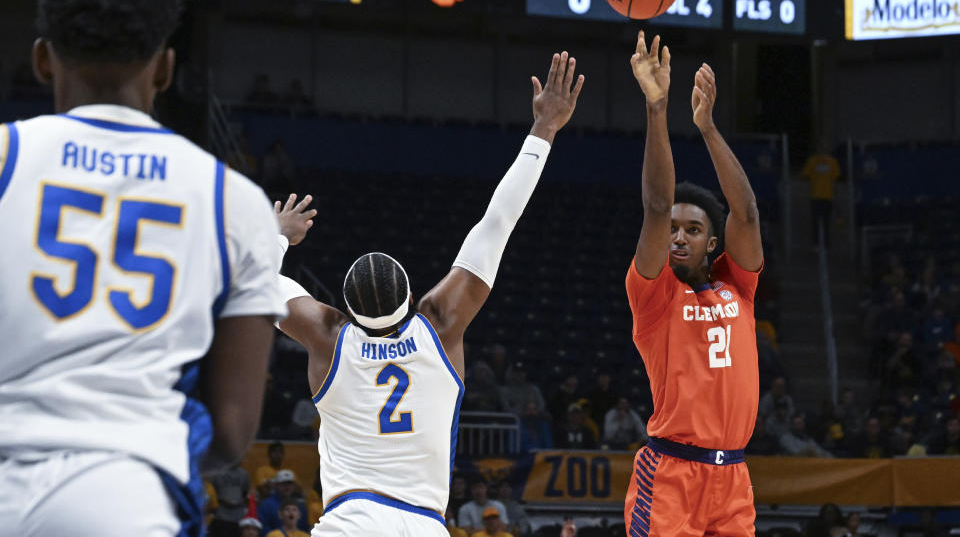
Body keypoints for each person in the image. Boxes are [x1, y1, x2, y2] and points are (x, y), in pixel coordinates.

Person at [0, 0, 285, 536]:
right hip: (126, 495)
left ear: (41, 59)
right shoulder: (234, 200)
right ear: (165, 69)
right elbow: (231, 434)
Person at [273, 52, 583, 536]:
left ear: (343, 310)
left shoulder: (328, 336)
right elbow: (497, 223)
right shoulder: (439, 324)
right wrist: (544, 129)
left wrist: (279, 237)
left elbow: (253, 283)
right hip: (423, 524)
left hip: (348, 523)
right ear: (415, 295)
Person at [622, 31, 764, 536]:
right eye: (674, 231)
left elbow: (745, 212)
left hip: (733, 477)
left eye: (694, 229)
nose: (678, 236)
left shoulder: (736, 286)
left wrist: (706, 127)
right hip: (671, 475)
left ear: (712, 244)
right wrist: (657, 108)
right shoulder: (654, 294)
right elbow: (657, 206)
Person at [801, 146, 840, 247]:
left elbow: (836, 177)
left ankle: (825, 243)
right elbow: (805, 175)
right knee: (816, 221)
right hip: (816, 196)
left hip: (827, 196)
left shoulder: (832, 162)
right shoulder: (813, 161)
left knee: (826, 221)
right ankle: (816, 243)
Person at [258, 469, 309, 534]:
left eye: (289, 484)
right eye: (283, 484)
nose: (287, 487)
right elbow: (263, 527)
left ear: (294, 486)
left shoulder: (300, 506)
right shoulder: (266, 505)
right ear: (275, 485)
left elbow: (304, 527)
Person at [208, 464, 251, 537]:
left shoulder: (244, 474)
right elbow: (210, 491)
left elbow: (245, 492)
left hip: (238, 517)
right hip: (220, 516)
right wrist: (220, 499)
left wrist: (239, 501)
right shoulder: (216, 472)